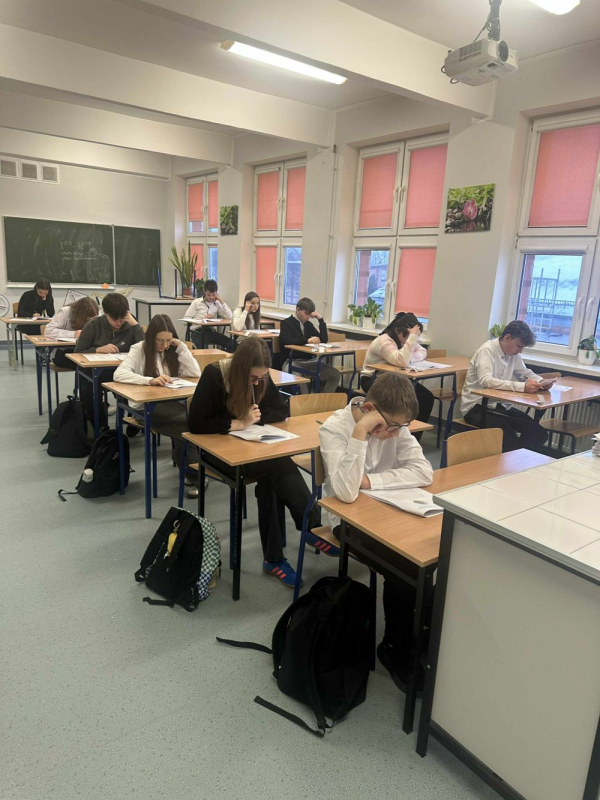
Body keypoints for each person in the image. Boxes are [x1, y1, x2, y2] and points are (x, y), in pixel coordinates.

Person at [319, 372, 434, 692]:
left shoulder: (397, 425)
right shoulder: (335, 428)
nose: (396, 434)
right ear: (369, 409)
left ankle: (421, 637)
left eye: (401, 427)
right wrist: (360, 432)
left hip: (389, 511)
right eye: (392, 427)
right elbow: (345, 493)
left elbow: (424, 471)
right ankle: (394, 647)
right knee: (407, 569)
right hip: (347, 521)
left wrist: (372, 481)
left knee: (427, 561)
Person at [188, 337, 322, 588]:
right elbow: (196, 423)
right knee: (277, 464)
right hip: (219, 455)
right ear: (240, 368)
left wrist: (255, 419)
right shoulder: (215, 375)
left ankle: (275, 557)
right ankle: (312, 525)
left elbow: (280, 410)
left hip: (253, 450)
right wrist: (238, 423)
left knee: (272, 475)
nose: (258, 382)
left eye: (262, 377)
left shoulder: (261, 378)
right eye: (253, 378)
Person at [114, 314, 202, 497]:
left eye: (168, 340)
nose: (164, 345)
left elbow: (195, 373)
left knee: (192, 419)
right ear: (150, 337)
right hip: (148, 407)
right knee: (185, 424)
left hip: (172, 403)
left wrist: (181, 347)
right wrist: (149, 380)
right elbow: (119, 374)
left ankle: (190, 469)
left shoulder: (173, 351)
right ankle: (196, 476)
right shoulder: (139, 349)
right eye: (160, 340)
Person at [461, 320, 550, 453]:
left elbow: (524, 373)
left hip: (501, 407)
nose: (520, 351)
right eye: (518, 346)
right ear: (507, 338)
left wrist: (541, 382)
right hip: (477, 408)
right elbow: (486, 381)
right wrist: (522, 387)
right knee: (508, 438)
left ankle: (518, 458)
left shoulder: (513, 354)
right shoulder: (487, 350)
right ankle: (513, 459)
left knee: (538, 433)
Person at [75, 293, 144, 430]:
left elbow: (146, 349)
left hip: (124, 370)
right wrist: (97, 350)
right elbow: (78, 352)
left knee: (136, 387)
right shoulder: (93, 325)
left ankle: (135, 419)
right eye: (115, 319)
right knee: (89, 393)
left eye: (122, 319)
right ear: (105, 313)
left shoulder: (131, 324)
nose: (119, 323)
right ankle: (101, 427)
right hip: (96, 372)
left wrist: (135, 326)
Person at [361, 312, 434, 435]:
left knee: (426, 398)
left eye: (411, 337)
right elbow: (402, 361)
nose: (408, 340)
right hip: (373, 380)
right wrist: (411, 341)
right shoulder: (384, 341)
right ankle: (395, 431)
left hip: (395, 380)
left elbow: (422, 351)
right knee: (400, 401)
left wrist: (409, 356)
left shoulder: (404, 339)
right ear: (397, 330)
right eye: (407, 336)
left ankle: (413, 436)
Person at [279, 297, 340, 392]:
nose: (308, 317)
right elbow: (286, 340)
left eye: (310, 314)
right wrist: (307, 341)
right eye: (306, 313)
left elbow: (323, 340)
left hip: (310, 361)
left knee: (335, 374)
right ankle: (306, 400)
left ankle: (324, 399)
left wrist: (320, 319)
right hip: (293, 361)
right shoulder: (286, 323)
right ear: (297, 309)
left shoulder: (308, 324)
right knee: (301, 381)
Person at [45, 297, 99, 369]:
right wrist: (73, 334)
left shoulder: (95, 315)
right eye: (88, 318)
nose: (89, 320)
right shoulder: (65, 312)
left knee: (94, 364)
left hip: (85, 350)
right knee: (84, 365)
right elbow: (48, 331)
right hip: (63, 352)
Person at [187, 279, 235, 352]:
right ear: (204, 291)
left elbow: (229, 317)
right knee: (204, 350)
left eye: (213, 295)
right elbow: (185, 320)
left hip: (210, 332)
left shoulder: (217, 303)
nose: (211, 297)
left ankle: (223, 358)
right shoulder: (196, 302)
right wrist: (202, 319)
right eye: (209, 295)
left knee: (232, 344)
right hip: (197, 332)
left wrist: (221, 300)